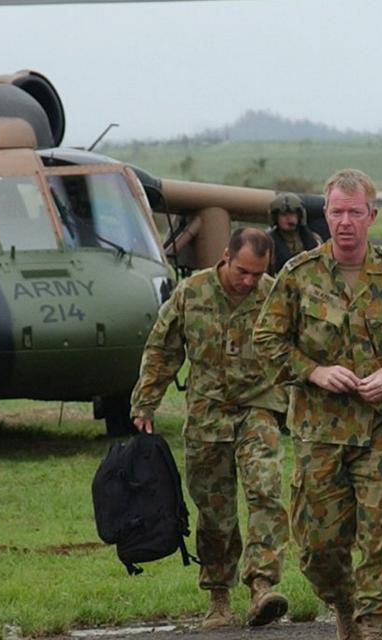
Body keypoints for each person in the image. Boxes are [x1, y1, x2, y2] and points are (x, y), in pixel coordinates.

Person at [254, 169, 382, 640]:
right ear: (326, 214)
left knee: (380, 538)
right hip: (320, 431)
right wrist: (313, 371)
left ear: (371, 216)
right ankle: (343, 602)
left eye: (355, 212)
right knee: (319, 548)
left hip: (381, 429)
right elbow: (267, 339)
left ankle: (375, 627)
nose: (345, 222)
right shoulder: (299, 275)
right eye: (336, 212)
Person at [130, 227, 290, 630]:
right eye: (242, 272)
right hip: (207, 418)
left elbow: (298, 349)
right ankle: (219, 598)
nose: (249, 281)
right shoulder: (192, 292)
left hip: (259, 408)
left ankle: (262, 585)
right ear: (224, 256)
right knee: (215, 512)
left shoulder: (275, 295)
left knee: (266, 489)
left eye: (257, 274)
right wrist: (145, 401)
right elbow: (163, 349)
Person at [266, 192, 321, 274]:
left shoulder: (315, 239)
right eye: (283, 214)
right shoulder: (268, 243)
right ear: (275, 218)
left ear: (299, 216)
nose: (289, 218)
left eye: (292, 213)